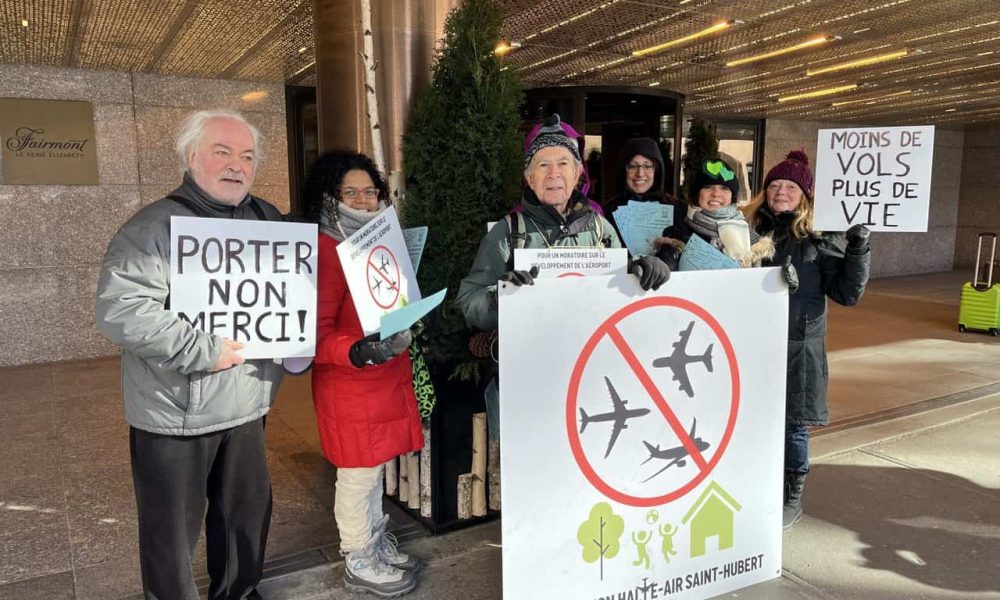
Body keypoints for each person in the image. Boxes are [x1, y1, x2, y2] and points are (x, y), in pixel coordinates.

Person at [95, 110, 284, 599]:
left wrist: (295, 343)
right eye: (222, 152)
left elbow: (290, 298)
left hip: (246, 404)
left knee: (244, 519)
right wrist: (202, 349)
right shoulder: (153, 227)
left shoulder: (269, 220)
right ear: (192, 156)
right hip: (173, 413)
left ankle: (239, 593)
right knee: (170, 537)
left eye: (246, 156)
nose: (236, 165)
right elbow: (122, 310)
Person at [457, 114, 670, 437]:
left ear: (577, 174)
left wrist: (643, 267)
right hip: (526, 380)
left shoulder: (598, 227)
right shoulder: (508, 232)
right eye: (542, 165)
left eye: (562, 163)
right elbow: (468, 298)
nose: (553, 173)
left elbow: (622, 270)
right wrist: (500, 297)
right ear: (529, 178)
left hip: (589, 376)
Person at [303, 150, 423, 597]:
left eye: (369, 191)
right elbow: (315, 335)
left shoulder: (378, 240)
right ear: (330, 196)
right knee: (356, 475)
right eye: (349, 191)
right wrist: (357, 350)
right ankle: (357, 557)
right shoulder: (325, 248)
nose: (362, 200)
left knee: (371, 471)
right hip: (350, 381)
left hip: (382, 373)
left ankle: (374, 543)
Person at [743, 150, 871, 530]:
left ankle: (791, 496)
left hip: (799, 347)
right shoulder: (747, 231)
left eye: (791, 186)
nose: (781, 192)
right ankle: (755, 484)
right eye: (774, 185)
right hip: (752, 346)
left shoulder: (819, 237)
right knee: (752, 419)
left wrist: (859, 248)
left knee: (792, 425)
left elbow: (848, 294)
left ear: (805, 196)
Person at [654, 157, 773, 271]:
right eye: (708, 187)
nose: (716, 193)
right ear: (697, 194)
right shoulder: (677, 234)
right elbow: (666, 266)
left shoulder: (751, 238)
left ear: (732, 196)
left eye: (724, 188)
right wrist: (657, 266)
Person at [606, 137, 683, 241]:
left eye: (647, 166)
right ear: (623, 170)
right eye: (633, 166)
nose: (640, 174)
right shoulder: (607, 212)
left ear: (657, 170)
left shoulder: (678, 210)